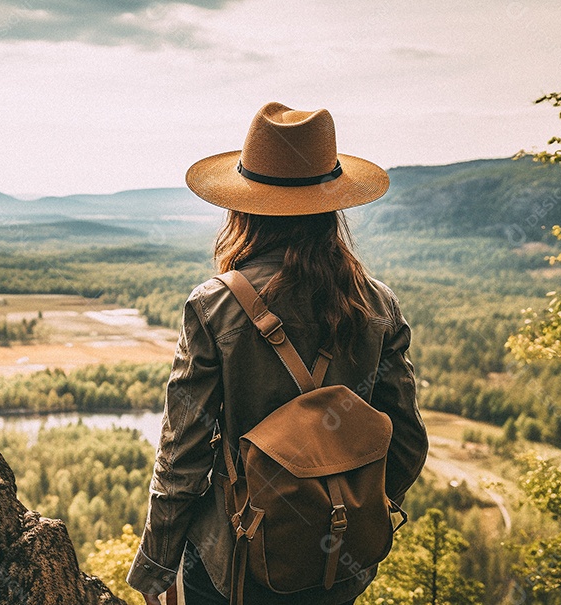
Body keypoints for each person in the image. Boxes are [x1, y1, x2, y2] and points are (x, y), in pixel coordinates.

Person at [125, 102, 428, 605]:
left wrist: (155, 570)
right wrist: (351, 510)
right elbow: (407, 442)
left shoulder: (214, 306)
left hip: (234, 567)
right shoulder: (378, 303)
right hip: (337, 568)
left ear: (243, 205)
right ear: (332, 205)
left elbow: (183, 456)